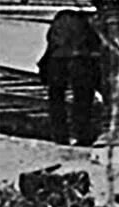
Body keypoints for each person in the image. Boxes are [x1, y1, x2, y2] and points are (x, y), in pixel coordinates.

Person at [38, 8, 102, 146]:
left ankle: (60, 135)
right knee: (82, 96)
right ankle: (81, 134)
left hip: (61, 56)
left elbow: (51, 44)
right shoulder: (88, 23)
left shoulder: (61, 21)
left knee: (57, 97)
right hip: (80, 57)